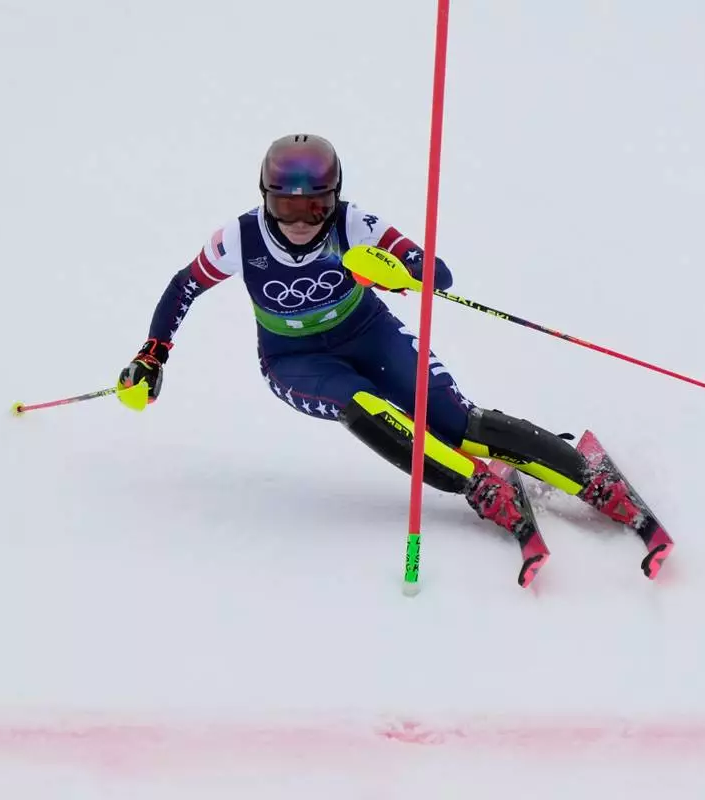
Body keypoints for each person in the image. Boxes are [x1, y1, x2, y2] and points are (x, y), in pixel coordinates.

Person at [118, 133, 650, 547]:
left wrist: (402, 271)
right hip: (294, 358)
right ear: (265, 199)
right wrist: (153, 354)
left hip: (367, 331)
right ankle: (482, 488)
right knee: (363, 405)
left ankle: (587, 478)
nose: (302, 221)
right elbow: (185, 284)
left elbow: (436, 273)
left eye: (316, 207)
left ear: (335, 198)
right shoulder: (240, 237)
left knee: (453, 422)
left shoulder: (355, 224)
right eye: (287, 207)